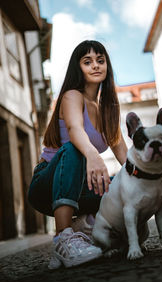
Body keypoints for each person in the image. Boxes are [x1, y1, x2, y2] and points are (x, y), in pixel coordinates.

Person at [28, 40, 127, 269]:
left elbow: (123, 152)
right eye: (87, 61)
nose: (95, 65)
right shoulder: (73, 95)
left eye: (100, 61)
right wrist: (93, 155)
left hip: (81, 187)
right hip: (46, 184)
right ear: (78, 67)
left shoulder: (108, 109)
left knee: (123, 186)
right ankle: (64, 236)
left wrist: (145, 178)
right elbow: (75, 130)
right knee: (74, 149)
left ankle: (85, 227)